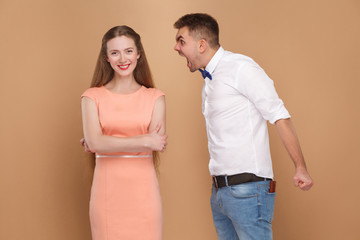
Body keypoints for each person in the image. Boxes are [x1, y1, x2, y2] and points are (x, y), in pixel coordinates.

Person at [173, 13, 313, 240]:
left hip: (248, 192)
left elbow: (280, 116)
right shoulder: (209, 81)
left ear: (201, 44)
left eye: (181, 41)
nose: (175, 47)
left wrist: (300, 167)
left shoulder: (241, 68)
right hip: (219, 193)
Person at [81, 25, 167, 240]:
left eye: (128, 51)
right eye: (114, 52)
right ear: (106, 58)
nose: (122, 59)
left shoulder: (155, 97)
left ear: (138, 54)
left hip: (144, 197)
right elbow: (96, 142)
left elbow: (159, 143)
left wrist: (103, 142)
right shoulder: (91, 97)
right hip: (107, 197)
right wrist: (145, 140)